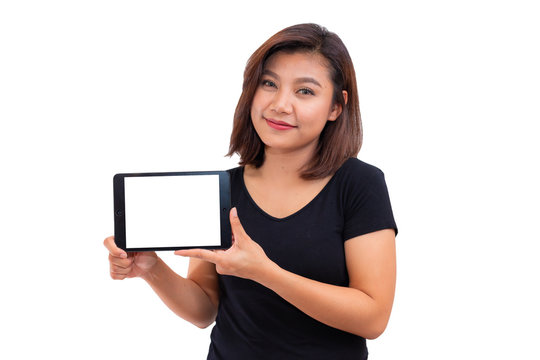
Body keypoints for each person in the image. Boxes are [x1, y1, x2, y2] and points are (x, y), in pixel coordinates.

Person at [104, 23, 397, 359]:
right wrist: (151, 269)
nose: (280, 104)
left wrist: (264, 272)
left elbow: (373, 318)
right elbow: (204, 310)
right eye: (269, 84)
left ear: (336, 106)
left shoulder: (359, 185)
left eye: (305, 91)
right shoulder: (225, 188)